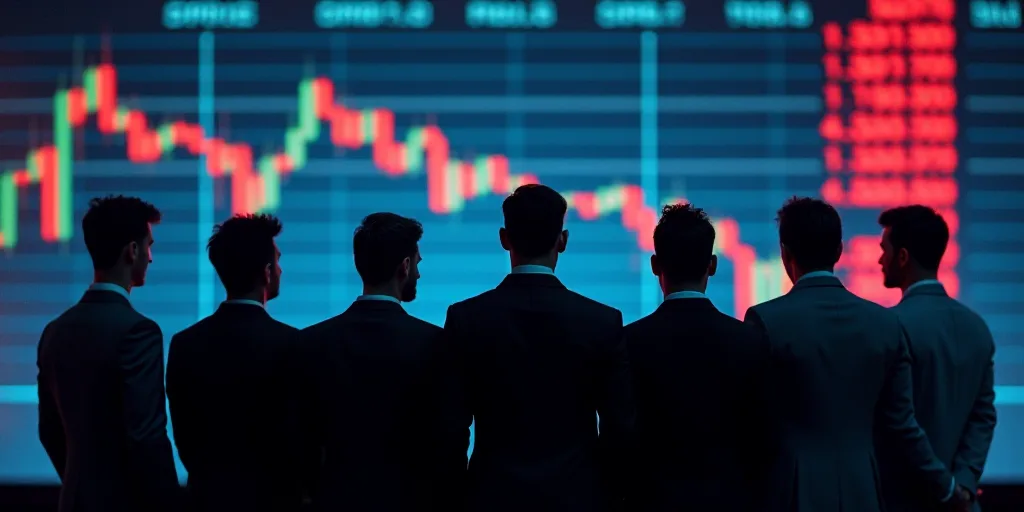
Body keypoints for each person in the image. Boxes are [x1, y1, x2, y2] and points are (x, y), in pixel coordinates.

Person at [743, 197, 971, 511]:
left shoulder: (765, 321)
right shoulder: (884, 324)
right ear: (839, 250)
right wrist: (949, 489)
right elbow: (902, 424)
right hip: (863, 490)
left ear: (785, 252)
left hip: (791, 492)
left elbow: (751, 420)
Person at [437, 184, 634, 511]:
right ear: (563, 240)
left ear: (504, 238)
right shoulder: (602, 321)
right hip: (578, 499)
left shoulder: (466, 319)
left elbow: (451, 429)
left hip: (492, 499)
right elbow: (619, 429)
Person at [624, 203, 773, 510]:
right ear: (713, 265)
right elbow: (762, 438)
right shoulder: (749, 340)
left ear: (655, 265)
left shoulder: (627, 341)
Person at [36, 195, 179, 512]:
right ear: (132, 250)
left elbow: (49, 431)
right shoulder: (138, 331)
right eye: (149, 246)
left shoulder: (54, 331)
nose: (151, 258)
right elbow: (146, 438)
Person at [296, 212, 443, 510]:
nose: (418, 274)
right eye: (417, 264)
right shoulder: (435, 343)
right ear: (405, 266)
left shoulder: (312, 342)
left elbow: (301, 439)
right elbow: (444, 438)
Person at [166, 213, 301, 511]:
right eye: (278, 261)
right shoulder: (294, 344)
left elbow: (184, 437)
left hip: (207, 499)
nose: (281, 269)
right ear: (267, 272)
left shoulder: (185, 344)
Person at [876, 205, 995, 512]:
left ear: (903, 257)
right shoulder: (977, 327)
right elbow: (983, 418)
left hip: (902, 502)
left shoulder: (890, 327)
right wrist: (963, 485)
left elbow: (899, 423)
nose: (879, 260)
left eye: (884, 250)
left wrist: (946, 488)